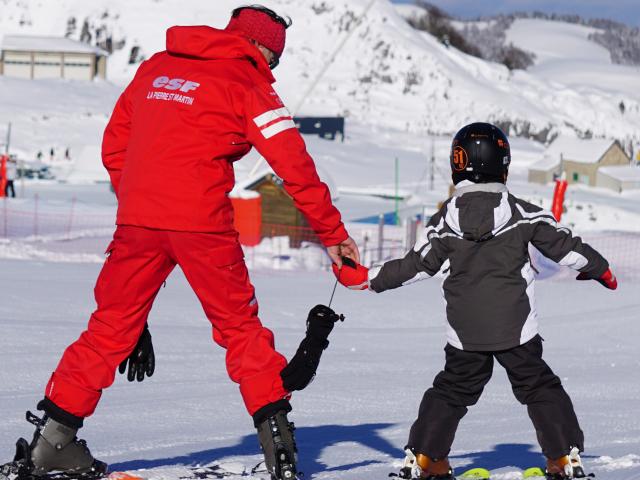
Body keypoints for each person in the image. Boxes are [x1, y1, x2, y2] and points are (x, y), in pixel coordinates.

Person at [9, 5, 359, 480]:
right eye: (274, 60)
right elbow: (294, 165)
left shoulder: (155, 67)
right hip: (202, 226)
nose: (272, 69)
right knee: (239, 329)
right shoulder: (247, 83)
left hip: (137, 225)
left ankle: (51, 442)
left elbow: (115, 144)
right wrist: (334, 236)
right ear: (262, 49)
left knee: (108, 328)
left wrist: (139, 200)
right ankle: (280, 450)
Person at [334, 122, 617, 480]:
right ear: (504, 164)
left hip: (464, 333)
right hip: (516, 328)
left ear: (457, 165)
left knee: (452, 389)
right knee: (538, 386)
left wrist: (366, 279)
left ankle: (425, 458)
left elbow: (416, 265)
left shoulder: (444, 223)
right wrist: (601, 270)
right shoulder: (522, 214)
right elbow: (565, 246)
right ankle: (563, 458)